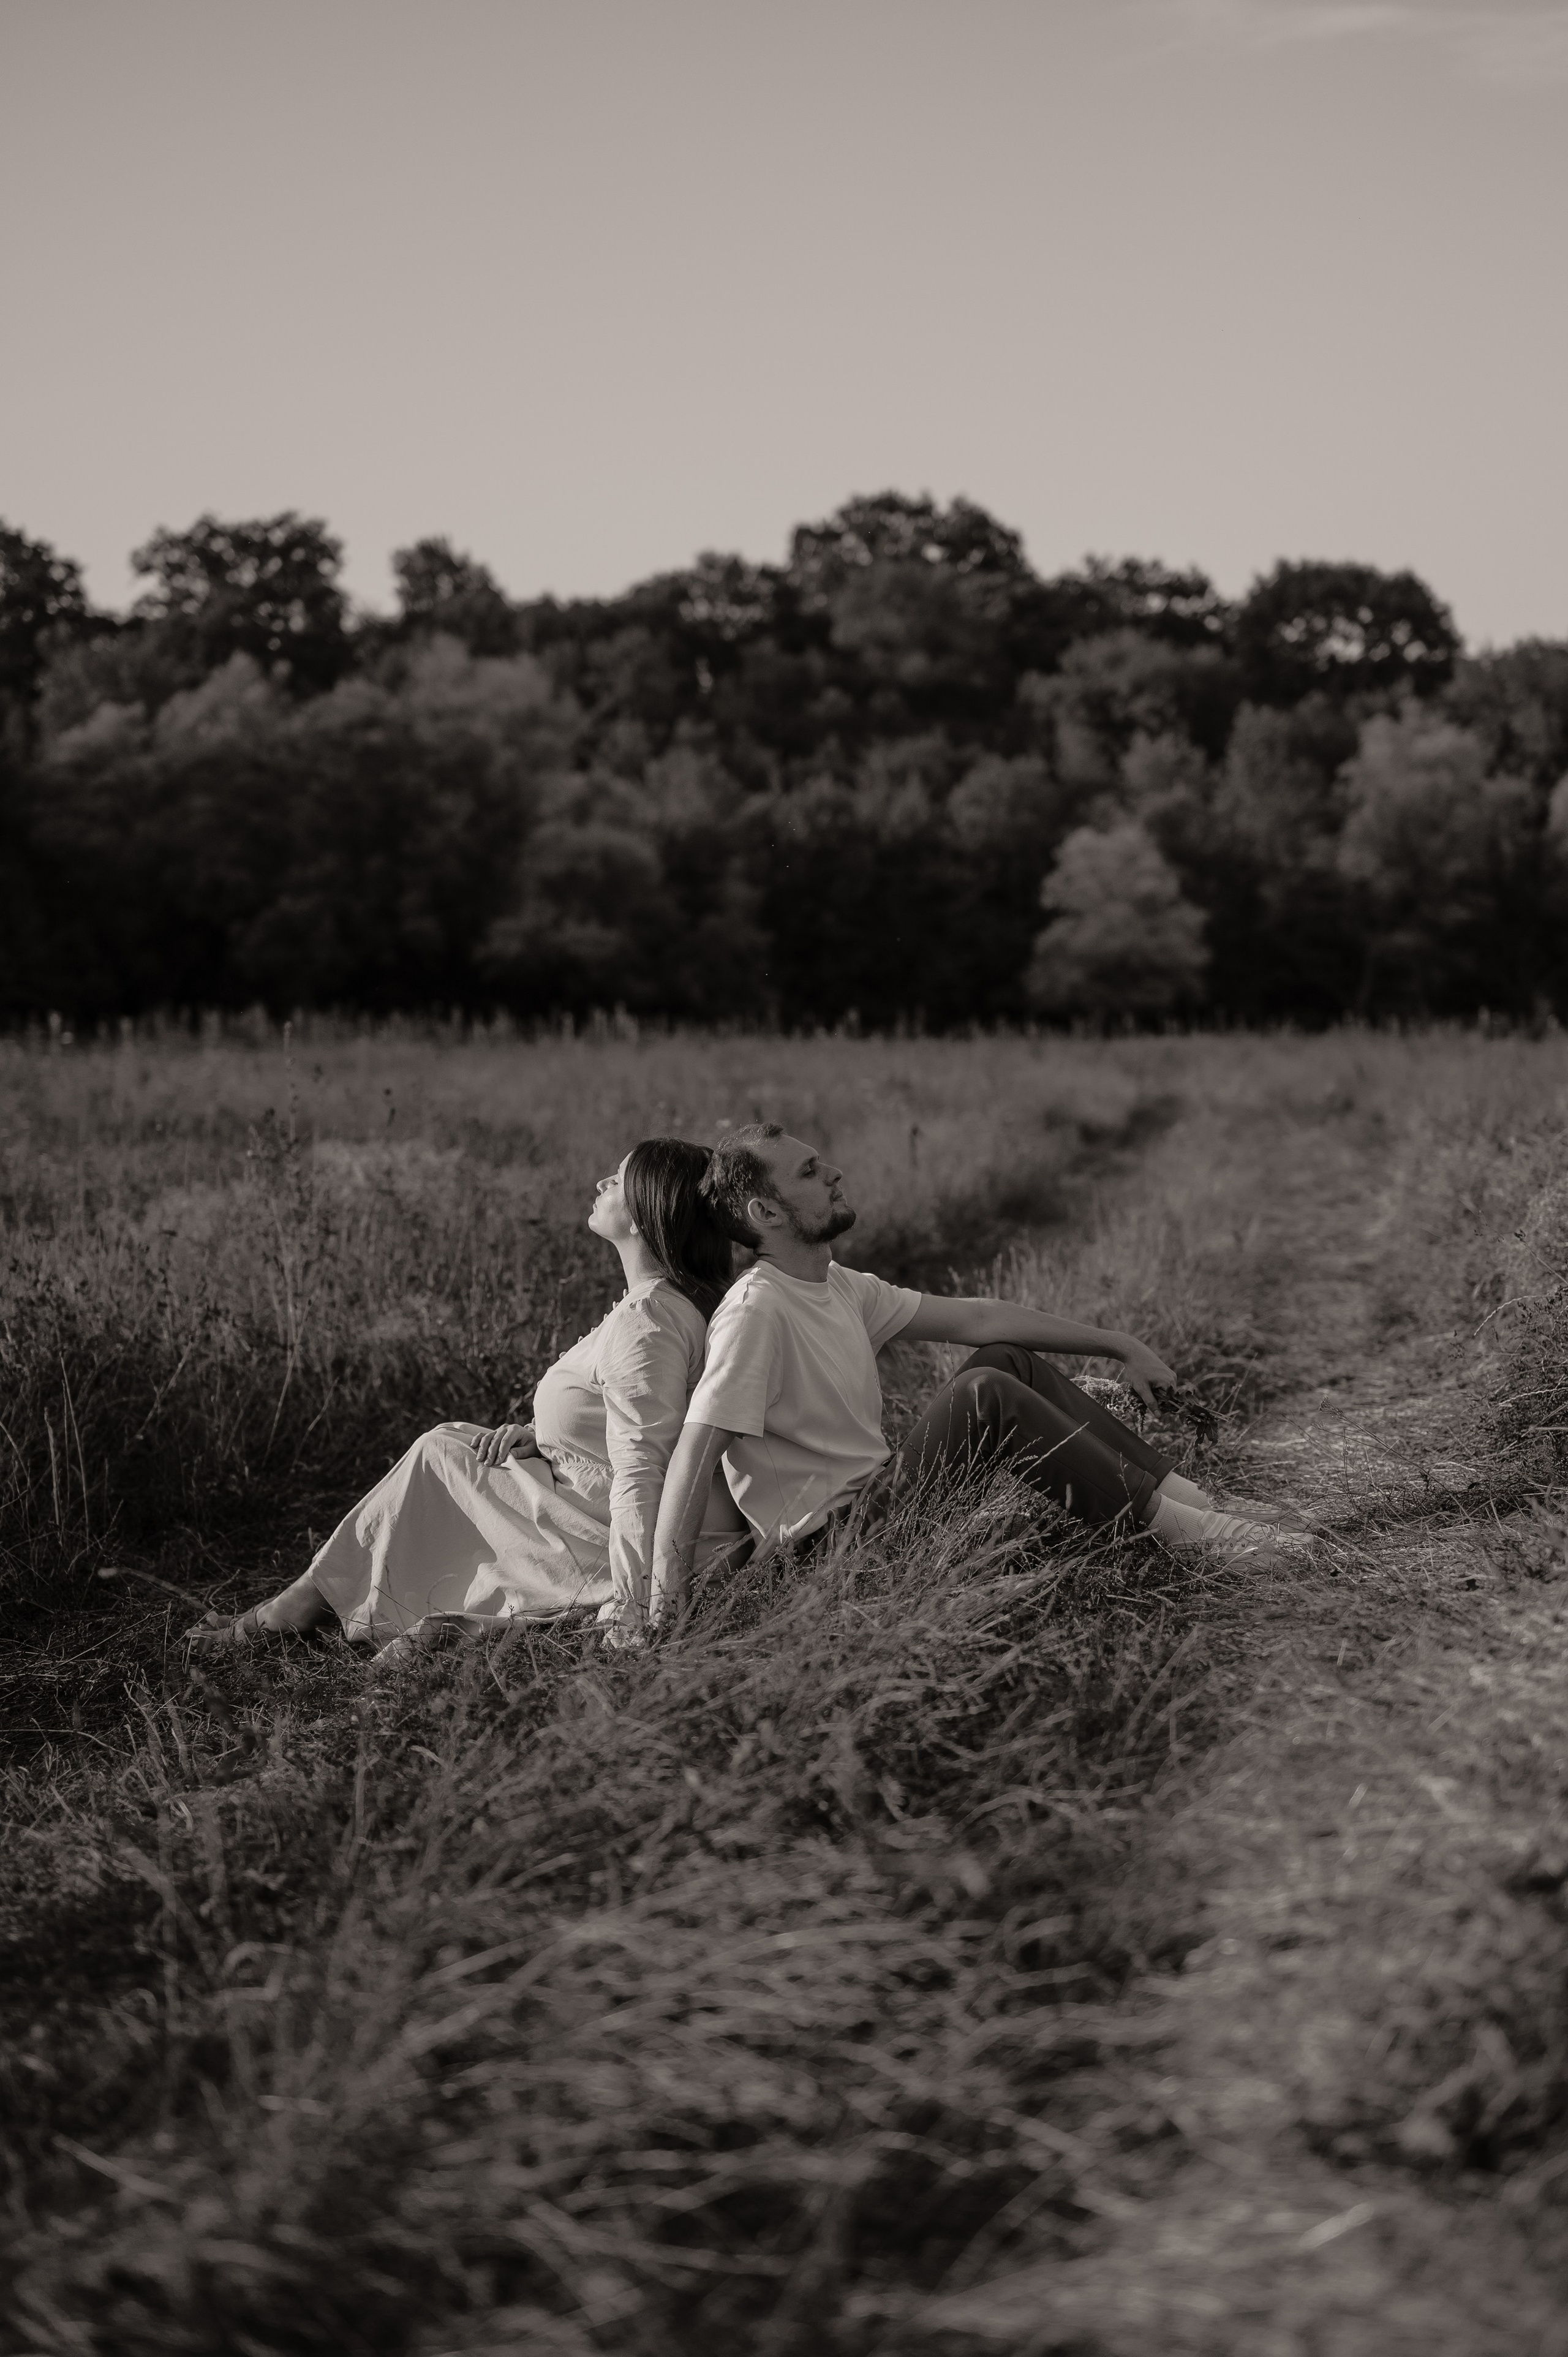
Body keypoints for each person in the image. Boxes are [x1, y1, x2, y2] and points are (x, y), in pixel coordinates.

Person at [649, 1123, 1305, 1620]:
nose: (836, 1174)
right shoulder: (754, 1312)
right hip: (829, 1552)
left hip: (877, 1507)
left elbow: (979, 1319)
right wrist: (660, 1609)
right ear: (766, 1213)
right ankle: (1202, 1538)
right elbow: (694, 1455)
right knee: (985, 1393)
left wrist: (1119, 1344)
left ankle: (1199, 1504)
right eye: (812, 1172)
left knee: (1004, 1359)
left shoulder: (833, 1283)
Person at [187, 1138, 745, 1657]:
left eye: (618, 1180)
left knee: (447, 1454)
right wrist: (547, 1440)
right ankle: (310, 1600)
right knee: (451, 1446)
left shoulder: (649, 1320)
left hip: (632, 1534)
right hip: (601, 1499)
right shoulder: (663, 1304)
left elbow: (645, 1471)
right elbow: (650, 1426)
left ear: (647, 1211)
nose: (602, 1183)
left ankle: (299, 1609)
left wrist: (636, 1606)